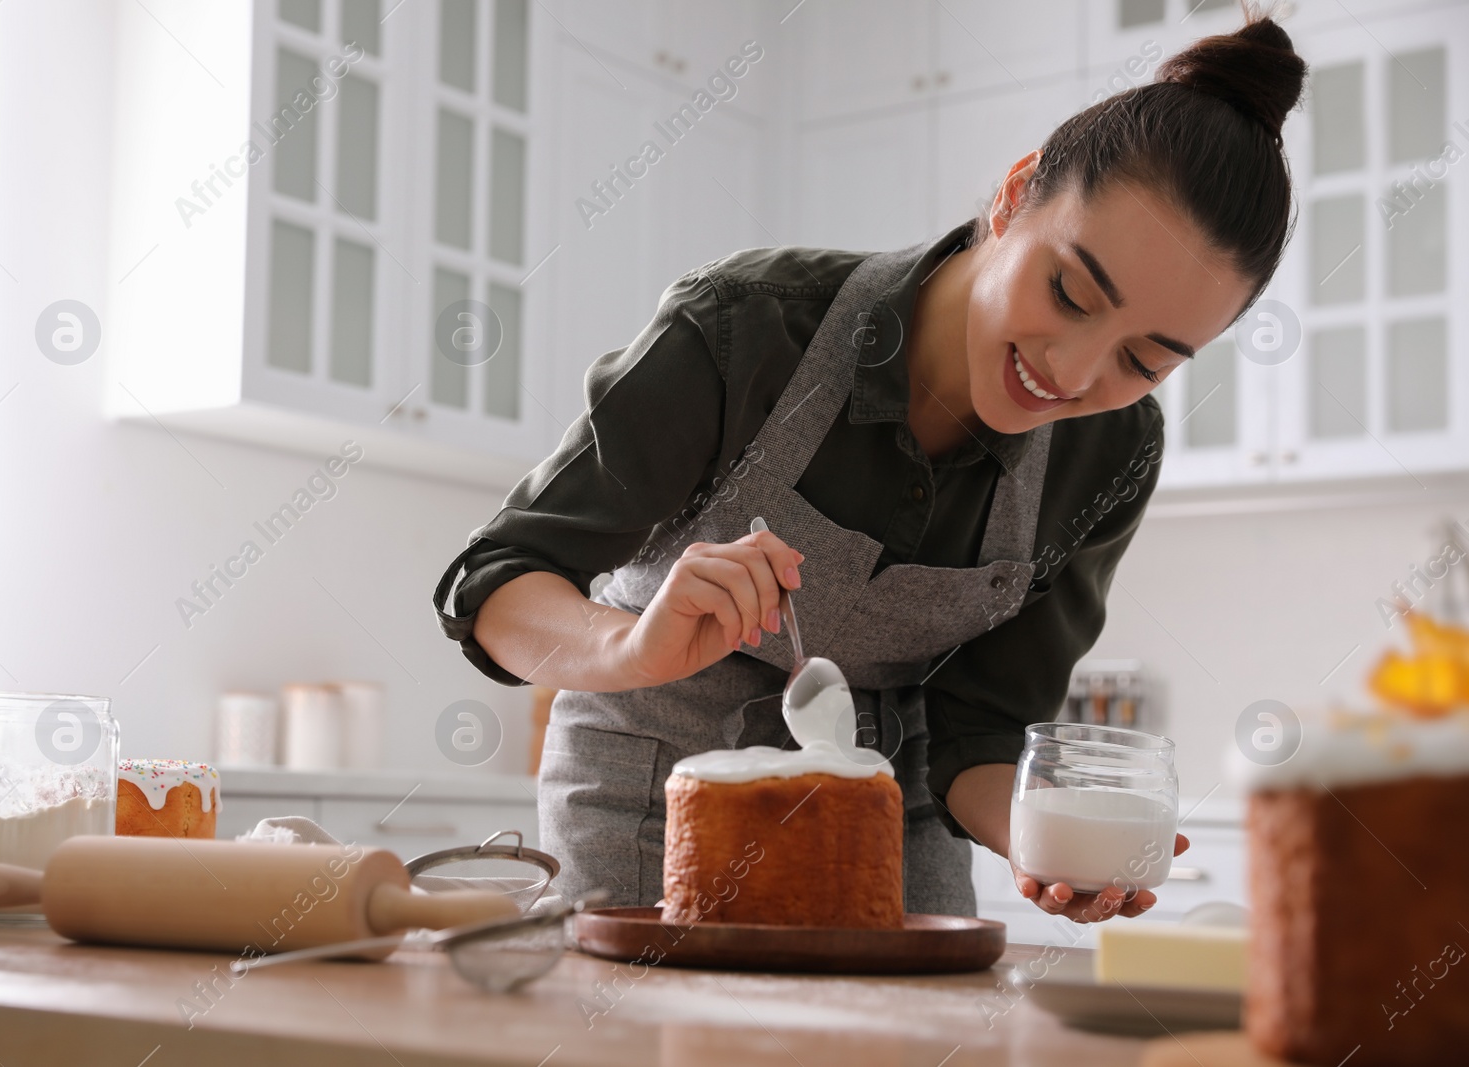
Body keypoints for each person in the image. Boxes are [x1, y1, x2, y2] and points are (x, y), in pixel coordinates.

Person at [434, 3, 1307, 923]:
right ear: (1014, 197)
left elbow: (976, 731)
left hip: (887, 827)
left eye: (1145, 360)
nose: (1075, 372)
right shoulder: (750, 326)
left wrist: (1042, 835)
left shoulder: (1111, 453)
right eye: (1070, 292)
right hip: (653, 806)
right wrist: (631, 641)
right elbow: (494, 582)